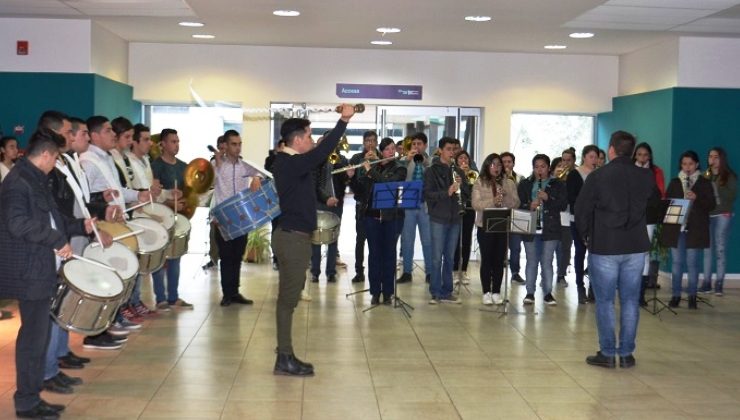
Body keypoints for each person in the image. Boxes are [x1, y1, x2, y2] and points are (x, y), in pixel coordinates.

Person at [0, 128, 96, 419]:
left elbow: (54, 218)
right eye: (55, 159)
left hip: (41, 268)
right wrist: (56, 240)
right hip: (30, 271)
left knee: (38, 338)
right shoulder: (18, 182)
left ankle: (33, 392)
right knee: (33, 339)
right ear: (45, 155)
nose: (55, 164)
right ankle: (27, 403)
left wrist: (82, 226)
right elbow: (17, 224)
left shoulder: (36, 178)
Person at [271, 104, 355, 376]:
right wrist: (343, 121)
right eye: (308, 136)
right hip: (292, 239)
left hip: (295, 237)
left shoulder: (291, 163)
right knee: (288, 301)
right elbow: (322, 151)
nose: (311, 140)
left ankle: (284, 354)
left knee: (288, 299)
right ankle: (284, 357)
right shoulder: (289, 162)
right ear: (297, 140)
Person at [575, 130, 658, 369]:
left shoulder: (598, 176)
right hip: (635, 246)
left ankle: (609, 352)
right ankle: (627, 353)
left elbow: (581, 211)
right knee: (631, 300)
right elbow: (655, 207)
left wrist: (586, 236)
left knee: (605, 301)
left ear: (611, 150)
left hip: (605, 246)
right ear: (632, 152)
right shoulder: (646, 176)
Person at [212, 129, 264, 306]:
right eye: (234, 144)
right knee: (226, 257)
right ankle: (227, 294)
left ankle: (235, 292)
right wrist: (217, 164)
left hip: (241, 217)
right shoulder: (216, 164)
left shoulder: (244, 165)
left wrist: (257, 177)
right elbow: (207, 183)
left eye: (239, 144)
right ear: (225, 146)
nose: (237, 147)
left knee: (237, 255)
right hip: (223, 218)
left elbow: (262, 172)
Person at [662, 150, 715, 309]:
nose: (687, 167)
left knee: (692, 263)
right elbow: (667, 205)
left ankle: (692, 296)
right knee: (677, 263)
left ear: (697, 164)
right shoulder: (675, 182)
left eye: (690, 164)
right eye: (684, 164)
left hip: (696, 229)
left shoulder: (704, 182)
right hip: (677, 229)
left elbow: (711, 205)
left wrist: (696, 198)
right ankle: (676, 295)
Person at [357, 137, 406, 304]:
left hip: (392, 217)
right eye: (387, 149)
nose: (391, 152)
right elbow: (360, 189)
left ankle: (387, 292)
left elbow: (388, 184)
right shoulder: (373, 166)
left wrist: (371, 171)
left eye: (393, 149)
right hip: (371, 217)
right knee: (374, 255)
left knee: (389, 255)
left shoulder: (400, 169)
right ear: (381, 152)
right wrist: (356, 173)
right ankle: (375, 292)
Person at [150, 128, 193, 311]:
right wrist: (169, 202)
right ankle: (160, 298)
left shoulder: (183, 166)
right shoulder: (155, 166)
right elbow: (153, 194)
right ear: (163, 144)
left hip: (178, 216)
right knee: (159, 257)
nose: (176, 145)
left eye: (178, 141)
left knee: (175, 255)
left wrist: (183, 203)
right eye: (173, 141)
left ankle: (173, 296)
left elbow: (188, 191)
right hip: (159, 218)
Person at [424, 137, 470, 304]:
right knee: (436, 257)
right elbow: (428, 194)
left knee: (450, 257)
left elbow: (467, 194)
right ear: (440, 150)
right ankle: (435, 292)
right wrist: (447, 191)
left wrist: (462, 186)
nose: (452, 152)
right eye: (449, 149)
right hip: (438, 218)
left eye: (454, 149)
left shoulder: (458, 171)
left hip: (455, 218)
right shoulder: (431, 171)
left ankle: (447, 291)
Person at [517, 154, 567, 306]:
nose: (540, 170)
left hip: (550, 228)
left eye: (543, 166)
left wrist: (547, 198)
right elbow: (518, 204)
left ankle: (548, 293)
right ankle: (529, 293)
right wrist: (529, 206)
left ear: (549, 167)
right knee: (532, 261)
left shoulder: (557, 184)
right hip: (530, 227)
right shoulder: (525, 184)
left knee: (547, 262)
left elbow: (563, 205)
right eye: (536, 167)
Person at [472, 153, 519, 305]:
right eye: (493, 165)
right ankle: (486, 291)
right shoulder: (480, 182)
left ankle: (497, 291)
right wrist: (493, 200)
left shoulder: (509, 182)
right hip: (484, 226)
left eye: (499, 165)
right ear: (487, 166)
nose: (496, 168)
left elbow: (516, 203)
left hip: (502, 225)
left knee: (499, 260)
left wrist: (505, 196)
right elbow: (476, 204)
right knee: (487, 259)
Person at [632, 142, 666, 304]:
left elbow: (658, 195)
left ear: (650, 156)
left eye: (645, 155)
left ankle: (641, 294)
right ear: (634, 156)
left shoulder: (656, 171)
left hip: (649, 217)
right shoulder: (628, 170)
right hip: (630, 218)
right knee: (630, 254)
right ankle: (629, 290)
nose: (642, 158)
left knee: (645, 254)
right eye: (639, 154)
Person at [701, 147, 737, 296]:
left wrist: (716, 188)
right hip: (708, 216)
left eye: (716, 157)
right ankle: (706, 283)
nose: (713, 159)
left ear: (722, 158)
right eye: (710, 156)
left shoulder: (729, 176)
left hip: (723, 215)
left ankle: (719, 284)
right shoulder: (706, 175)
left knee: (720, 249)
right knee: (707, 250)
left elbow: (732, 196)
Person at [399, 132, 433, 284]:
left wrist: (426, 163)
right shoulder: (405, 160)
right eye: (414, 144)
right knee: (407, 240)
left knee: (427, 240)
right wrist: (406, 161)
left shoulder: (431, 161)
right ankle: (407, 272)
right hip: (408, 204)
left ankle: (430, 272)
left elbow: (434, 178)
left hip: (425, 205)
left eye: (420, 144)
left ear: (425, 145)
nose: (417, 146)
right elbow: (398, 174)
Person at [567, 145, 600, 304]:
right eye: (591, 157)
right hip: (578, 219)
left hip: (597, 220)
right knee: (580, 251)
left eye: (596, 157)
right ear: (584, 157)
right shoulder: (574, 174)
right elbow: (571, 197)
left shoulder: (600, 174)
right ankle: (580, 286)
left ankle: (593, 288)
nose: (594, 160)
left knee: (595, 254)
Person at [348, 130, 378, 284]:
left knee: (376, 242)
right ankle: (359, 272)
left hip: (377, 206)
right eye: (367, 141)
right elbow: (354, 185)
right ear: (363, 142)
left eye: (373, 140)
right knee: (360, 240)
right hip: (361, 205)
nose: (370, 144)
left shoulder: (382, 159)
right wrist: (355, 172)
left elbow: (381, 180)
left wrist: (374, 164)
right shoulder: (356, 158)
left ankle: (375, 272)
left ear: (376, 142)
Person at [501, 152, 525, 284]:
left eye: (509, 162)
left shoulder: (520, 178)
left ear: (513, 163)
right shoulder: (496, 178)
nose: (506, 164)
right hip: (501, 215)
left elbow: (521, 197)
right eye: (504, 162)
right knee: (499, 247)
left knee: (516, 247)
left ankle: (515, 273)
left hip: (516, 215)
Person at [453, 150, 476, 285]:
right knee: (456, 240)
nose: (464, 161)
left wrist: (467, 176)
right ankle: (455, 270)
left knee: (466, 241)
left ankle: (464, 270)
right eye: (461, 158)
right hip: (456, 209)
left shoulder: (473, 174)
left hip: (469, 210)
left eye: (466, 159)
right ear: (456, 161)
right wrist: (461, 175)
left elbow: (473, 193)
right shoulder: (453, 173)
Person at [550, 157, 572, 287]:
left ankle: (561, 274)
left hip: (566, 217)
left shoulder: (570, 180)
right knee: (550, 248)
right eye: (558, 165)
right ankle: (546, 276)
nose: (562, 167)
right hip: (552, 218)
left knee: (565, 248)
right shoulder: (549, 181)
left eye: (564, 165)